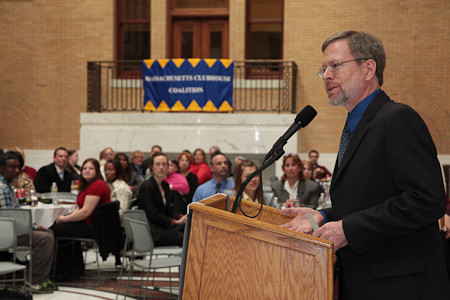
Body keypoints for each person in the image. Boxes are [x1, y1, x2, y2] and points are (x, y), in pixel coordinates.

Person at [281, 30, 449, 299]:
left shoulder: (398, 119)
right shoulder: (355, 126)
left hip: (400, 287)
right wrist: (323, 216)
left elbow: (427, 200)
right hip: (364, 283)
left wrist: (348, 229)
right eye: (323, 68)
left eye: (335, 65)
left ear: (368, 68)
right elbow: (370, 200)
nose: (326, 75)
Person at [0, 151, 56, 293]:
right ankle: (33, 281)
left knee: (48, 232)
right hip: (6, 233)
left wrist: (34, 227)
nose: (17, 170)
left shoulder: (7, 185)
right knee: (45, 239)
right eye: (12, 167)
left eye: (18, 167)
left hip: (9, 229)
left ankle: (40, 277)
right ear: (2, 168)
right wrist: (33, 227)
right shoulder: (3, 188)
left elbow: (16, 213)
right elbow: (10, 217)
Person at [50, 158, 111, 280]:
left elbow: (85, 212)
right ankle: (70, 268)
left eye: (91, 168)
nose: (87, 171)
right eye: (85, 168)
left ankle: (60, 270)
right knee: (61, 227)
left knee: (54, 230)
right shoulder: (90, 185)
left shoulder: (97, 185)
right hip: (91, 223)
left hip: (94, 228)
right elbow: (81, 209)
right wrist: (66, 218)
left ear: (97, 171)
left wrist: (64, 219)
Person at [137, 152, 186, 246]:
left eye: (164, 164)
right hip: (152, 230)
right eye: (158, 164)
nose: (161, 167)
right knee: (184, 237)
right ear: (151, 167)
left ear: (168, 167)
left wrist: (181, 217)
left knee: (190, 229)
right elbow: (153, 215)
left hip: (163, 226)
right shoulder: (147, 186)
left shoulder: (166, 185)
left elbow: (168, 211)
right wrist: (174, 222)